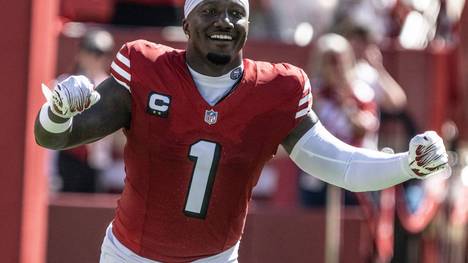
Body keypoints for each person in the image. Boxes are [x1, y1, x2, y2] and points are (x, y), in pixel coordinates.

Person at [34, 0, 449, 262]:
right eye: (211, 10)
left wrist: (407, 166)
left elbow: (338, 163)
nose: (224, 21)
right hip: (132, 255)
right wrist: (56, 112)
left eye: (236, 12)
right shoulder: (146, 67)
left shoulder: (277, 89)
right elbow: (54, 136)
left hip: (215, 258)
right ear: (187, 21)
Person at [300, 33, 380, 206]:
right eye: (328, 63)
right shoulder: (312, 94)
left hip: (354, 172)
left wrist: (346, 102)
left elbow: (364, 128)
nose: (333, 69)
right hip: (319, 173)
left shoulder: (361, 92)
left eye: (337, 62)